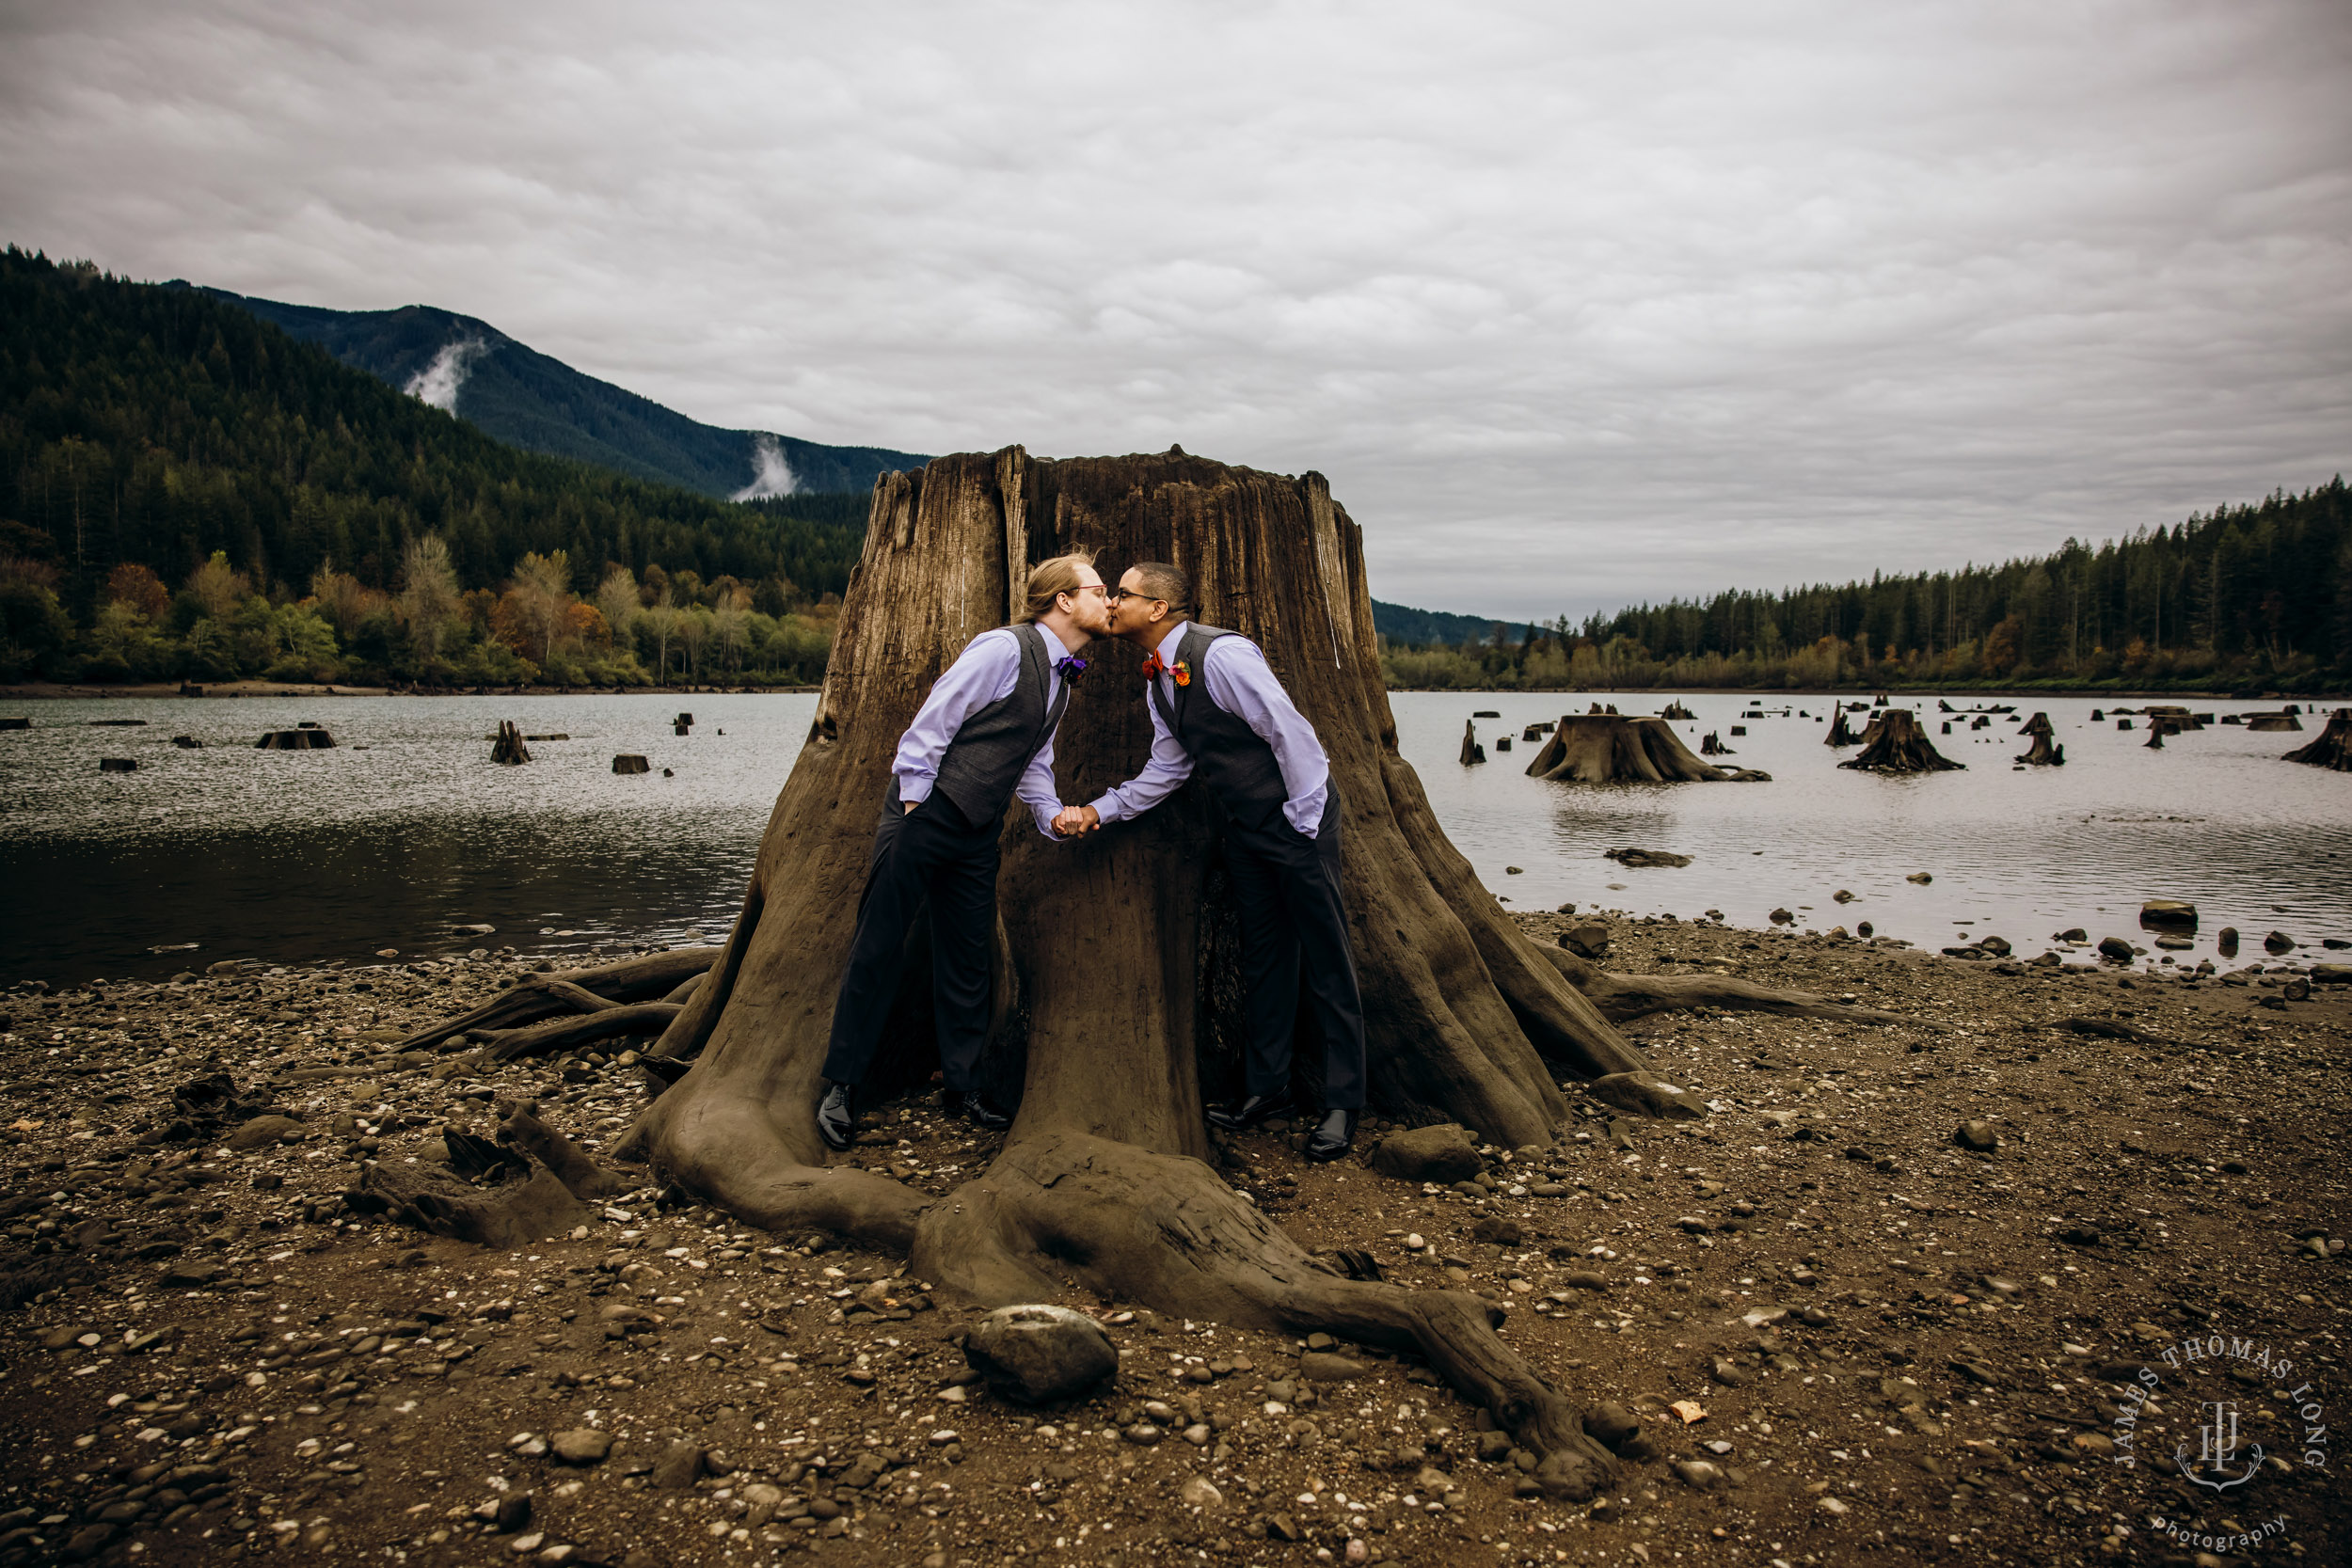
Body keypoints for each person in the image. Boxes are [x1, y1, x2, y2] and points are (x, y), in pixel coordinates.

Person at [1053, 562, 1366, 1161]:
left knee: (1328, 959)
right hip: (1245, 830)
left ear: (1158, 609)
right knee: (1264, 958)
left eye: (1122, 593)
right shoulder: (1159, 680)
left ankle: (1342, 1102)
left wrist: (1302, 821)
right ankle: (1267, 1091)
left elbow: (1289, 733)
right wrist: (1099, 811)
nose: (1113, 603)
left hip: (1297, 822)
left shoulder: (1222, 656)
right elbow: (1168, 770)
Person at [816, 552, 1109, 1150]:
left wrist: (1049, 816)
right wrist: (918, 807)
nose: (1109, 601)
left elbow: (1033, 760)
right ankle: (841, 1086)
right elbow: (931, 724)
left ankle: (963, 1086)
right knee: (879, 945)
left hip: (978, 830)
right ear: (1064, 601)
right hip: (926, 812)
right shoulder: (1002, 649)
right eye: (1100, 590)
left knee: (967, 953)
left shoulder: (1062, 675)